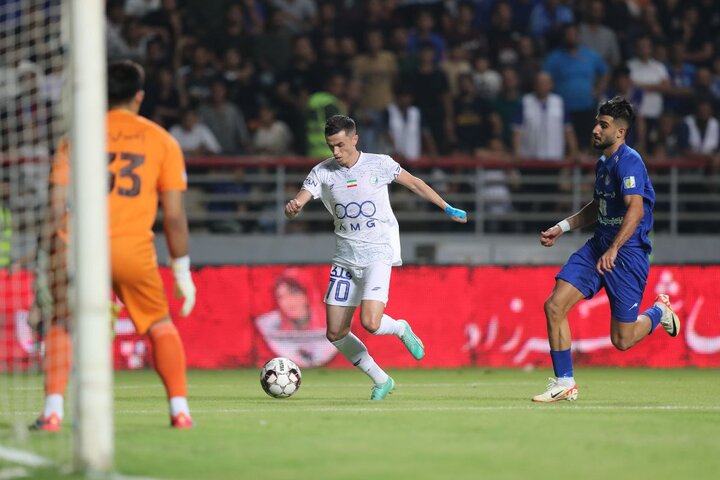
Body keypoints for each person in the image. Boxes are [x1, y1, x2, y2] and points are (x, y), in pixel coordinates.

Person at [34, 60, 197, 430]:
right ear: (139, 96)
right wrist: (182, 270)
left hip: (78, 247)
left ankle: (53, 411)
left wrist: (46, 257)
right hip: (131, 249)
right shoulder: (162, 140)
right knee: (159, 324)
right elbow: (173, 217)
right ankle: (180, 411)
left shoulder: (76, 137)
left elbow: (56, 206)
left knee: (62, 322)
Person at [285, 115, 467, 400]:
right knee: (335, 333)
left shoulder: (379, 164)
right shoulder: (322, 171)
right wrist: (295, 206)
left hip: (377, 254)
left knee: (371, 323)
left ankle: (400, 328)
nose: (336, 152)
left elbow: (414, 183)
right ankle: (382, 380)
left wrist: (446, 207)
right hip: (345, 260)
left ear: (355, 139)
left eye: (341, 145)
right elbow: (303, 195)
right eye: (331, 146)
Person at [531, 97, 681, 403]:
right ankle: (565, 383)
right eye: (596, 123)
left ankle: (659, 311)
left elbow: (636, 210)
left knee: (622, 340)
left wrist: (615, 248)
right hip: (599, 246)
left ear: (620, 132)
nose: (595, 129)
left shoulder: (630, 161)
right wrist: (563, 226)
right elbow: (597, 207)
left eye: (603, 125)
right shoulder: (603, 164)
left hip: (627, 255)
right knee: (554, 306)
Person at [255, 269, 337, 368]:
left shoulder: (334, 321)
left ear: (308, 294)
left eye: (294, 293)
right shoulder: (270, 324)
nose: (288, 302)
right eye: (281, 297)